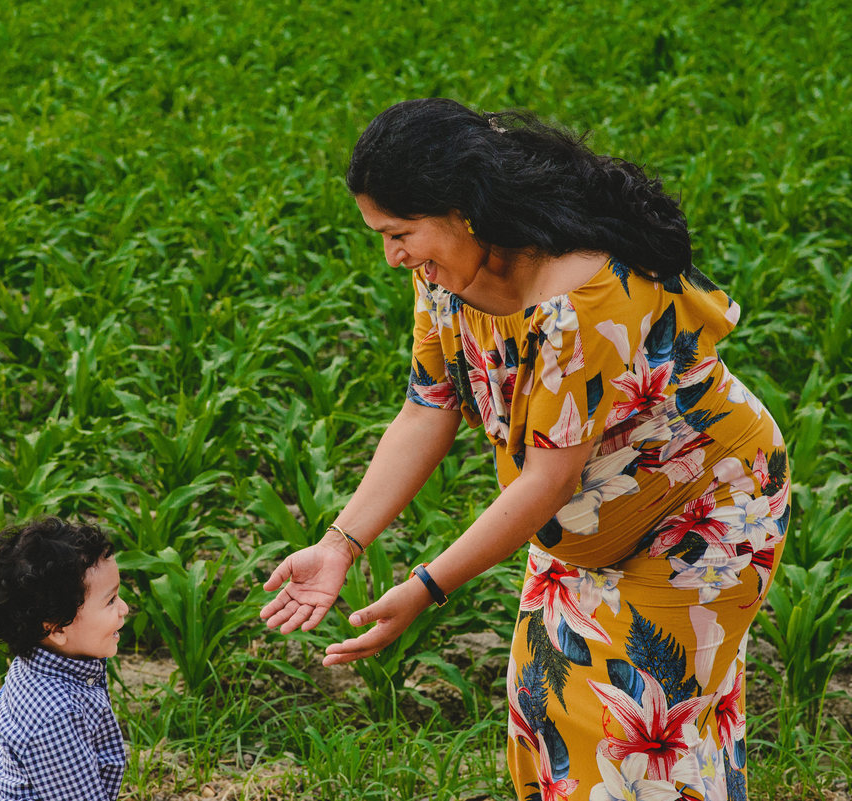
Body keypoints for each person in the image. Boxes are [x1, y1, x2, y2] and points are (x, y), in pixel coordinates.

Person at [260, 98, 789, 800]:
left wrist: (424, 588)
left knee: (643, 740)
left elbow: (547, 480)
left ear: (463, 209)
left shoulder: (582, 296)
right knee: (549, 709)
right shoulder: (444, 277)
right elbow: (428, 405)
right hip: (591, 520)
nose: (393, 257)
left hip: (703, 510)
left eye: (401, 233)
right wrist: (340, 544)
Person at [0, 516, 129, 801]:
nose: (124, 608)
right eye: (110, 601)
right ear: (57, 628)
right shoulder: (54, 714)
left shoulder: (49, 660)